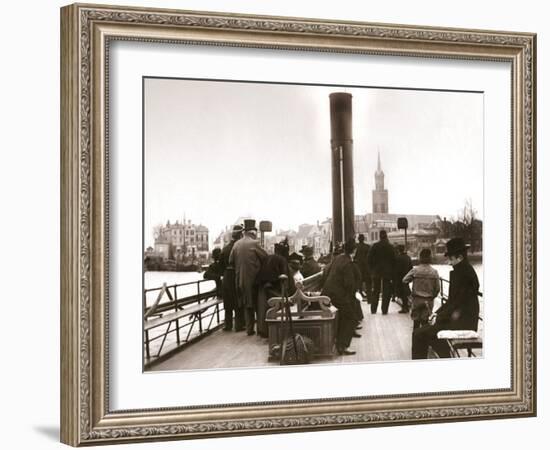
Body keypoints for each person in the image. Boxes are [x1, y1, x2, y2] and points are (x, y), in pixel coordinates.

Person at [411, 238, 480, 359]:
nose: (449, 263)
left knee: (419, 334)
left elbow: (457, 303)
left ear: (459, 257)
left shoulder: (464, 275)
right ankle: (445, 357)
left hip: (463, 322)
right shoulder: (464, 271)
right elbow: (453, 302)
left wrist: (438, 317)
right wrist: (437, 314)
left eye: (451, 259)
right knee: (425, 333)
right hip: (461, 318)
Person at [321, 239, 360, 355]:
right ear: (354, 250)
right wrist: (352, 295)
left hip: (328, 293)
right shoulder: (348, 262)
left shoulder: (338, 258)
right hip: (338, 295)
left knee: (345, 315)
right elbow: (349, 284)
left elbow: (327, 271)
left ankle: (338, 342)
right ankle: (343, 346)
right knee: (351, 317)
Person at [229, 219, 268, 336]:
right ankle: (261, 329)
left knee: (247, 304)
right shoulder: (254, 243)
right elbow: (265, 257)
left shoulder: (236, 244)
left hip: (240, 279)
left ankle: (249, 329)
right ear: (253, 232)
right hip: (254, 279)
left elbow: (230, 261)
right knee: (257, 304)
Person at [256, 243, 289, 338]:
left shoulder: (268, 257)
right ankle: (274, 333)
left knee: (263, 309)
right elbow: (284, 277)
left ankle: (263, 331)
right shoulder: (282, 260)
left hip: (262, 286)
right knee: (275, 308)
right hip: (273, 288)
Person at [403, 248, 440, 329]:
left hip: (416, 299)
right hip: (428, 300)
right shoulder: (434, 272)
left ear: (420, 258)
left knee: (416, 323)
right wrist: (432, 296)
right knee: (425, 323)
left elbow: (405, 280)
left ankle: (415, 340)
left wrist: (410, 294)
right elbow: (437, 289)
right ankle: (424, 341)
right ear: (430, 258)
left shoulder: (415, 270)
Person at [218, 225, 244, 331]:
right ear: (239, 235)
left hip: (226, 277)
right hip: (235, 276)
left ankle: (228, 325)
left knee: (228, 302)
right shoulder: (238, 247)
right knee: (237, 301)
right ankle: (239, 325)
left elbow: (220, 265)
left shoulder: (225, 248)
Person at [367, 230, 396, 314]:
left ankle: (373, 309)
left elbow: (369, 259)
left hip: (376, 272)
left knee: (375, 290)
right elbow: (394, 260)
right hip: (387, 272)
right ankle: (384, 310)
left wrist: (372, 269)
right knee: (386, 291)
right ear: (386, 236)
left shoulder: (375, 246)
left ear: (379, 236)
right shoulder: (390, 247)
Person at [394, 245, 413, 313]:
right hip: (407, 277)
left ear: (399, 250)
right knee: (406, 292)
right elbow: (411, 268)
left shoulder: (397, 258)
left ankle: (405, 307)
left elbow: (395, 269)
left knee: (401, 293)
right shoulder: (408, 258)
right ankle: (407, 305)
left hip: (399, 278)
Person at [354, 234, 371, 301]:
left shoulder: (356, 247)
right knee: (368, 284)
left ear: (358, 239)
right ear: (364, 239)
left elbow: (354, 257)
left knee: (358, 284)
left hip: (358, 268)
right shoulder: (368, 247)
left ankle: (359, 299)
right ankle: (369, 298)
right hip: (366, 268)